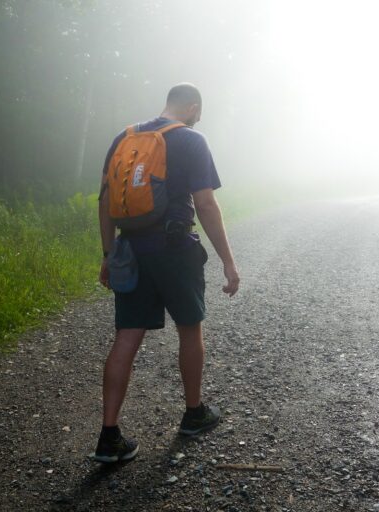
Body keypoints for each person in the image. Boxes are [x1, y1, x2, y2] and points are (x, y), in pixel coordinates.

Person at [92, 83, 240, 463]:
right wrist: (227, 259)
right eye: (198, 114)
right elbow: (206, 205)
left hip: (132, 249)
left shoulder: (125, 138)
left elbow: (106, 202)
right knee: (190, 328)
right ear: (191, 108)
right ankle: (194, 413)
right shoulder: (191, 140)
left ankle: (109, 436)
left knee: (126, 337)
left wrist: (109, 255)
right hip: (175, 250)